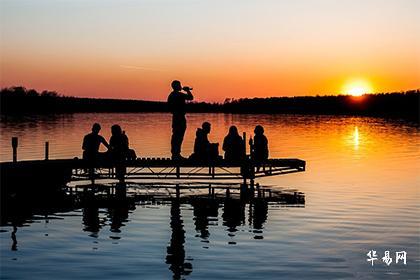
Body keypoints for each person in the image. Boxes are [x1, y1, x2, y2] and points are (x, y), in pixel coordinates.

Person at [167, 80, 194, 160]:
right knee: (179, 136)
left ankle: (175, 154)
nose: (180, 86)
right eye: (179, 85)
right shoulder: (178, 94)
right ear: (176, 86)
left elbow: (169, 108)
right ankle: (176, 155)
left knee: (176, 135)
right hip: (180, 117)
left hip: (175, 117)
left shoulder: (171, 95)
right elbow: (191, 97)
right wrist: (188, 90)